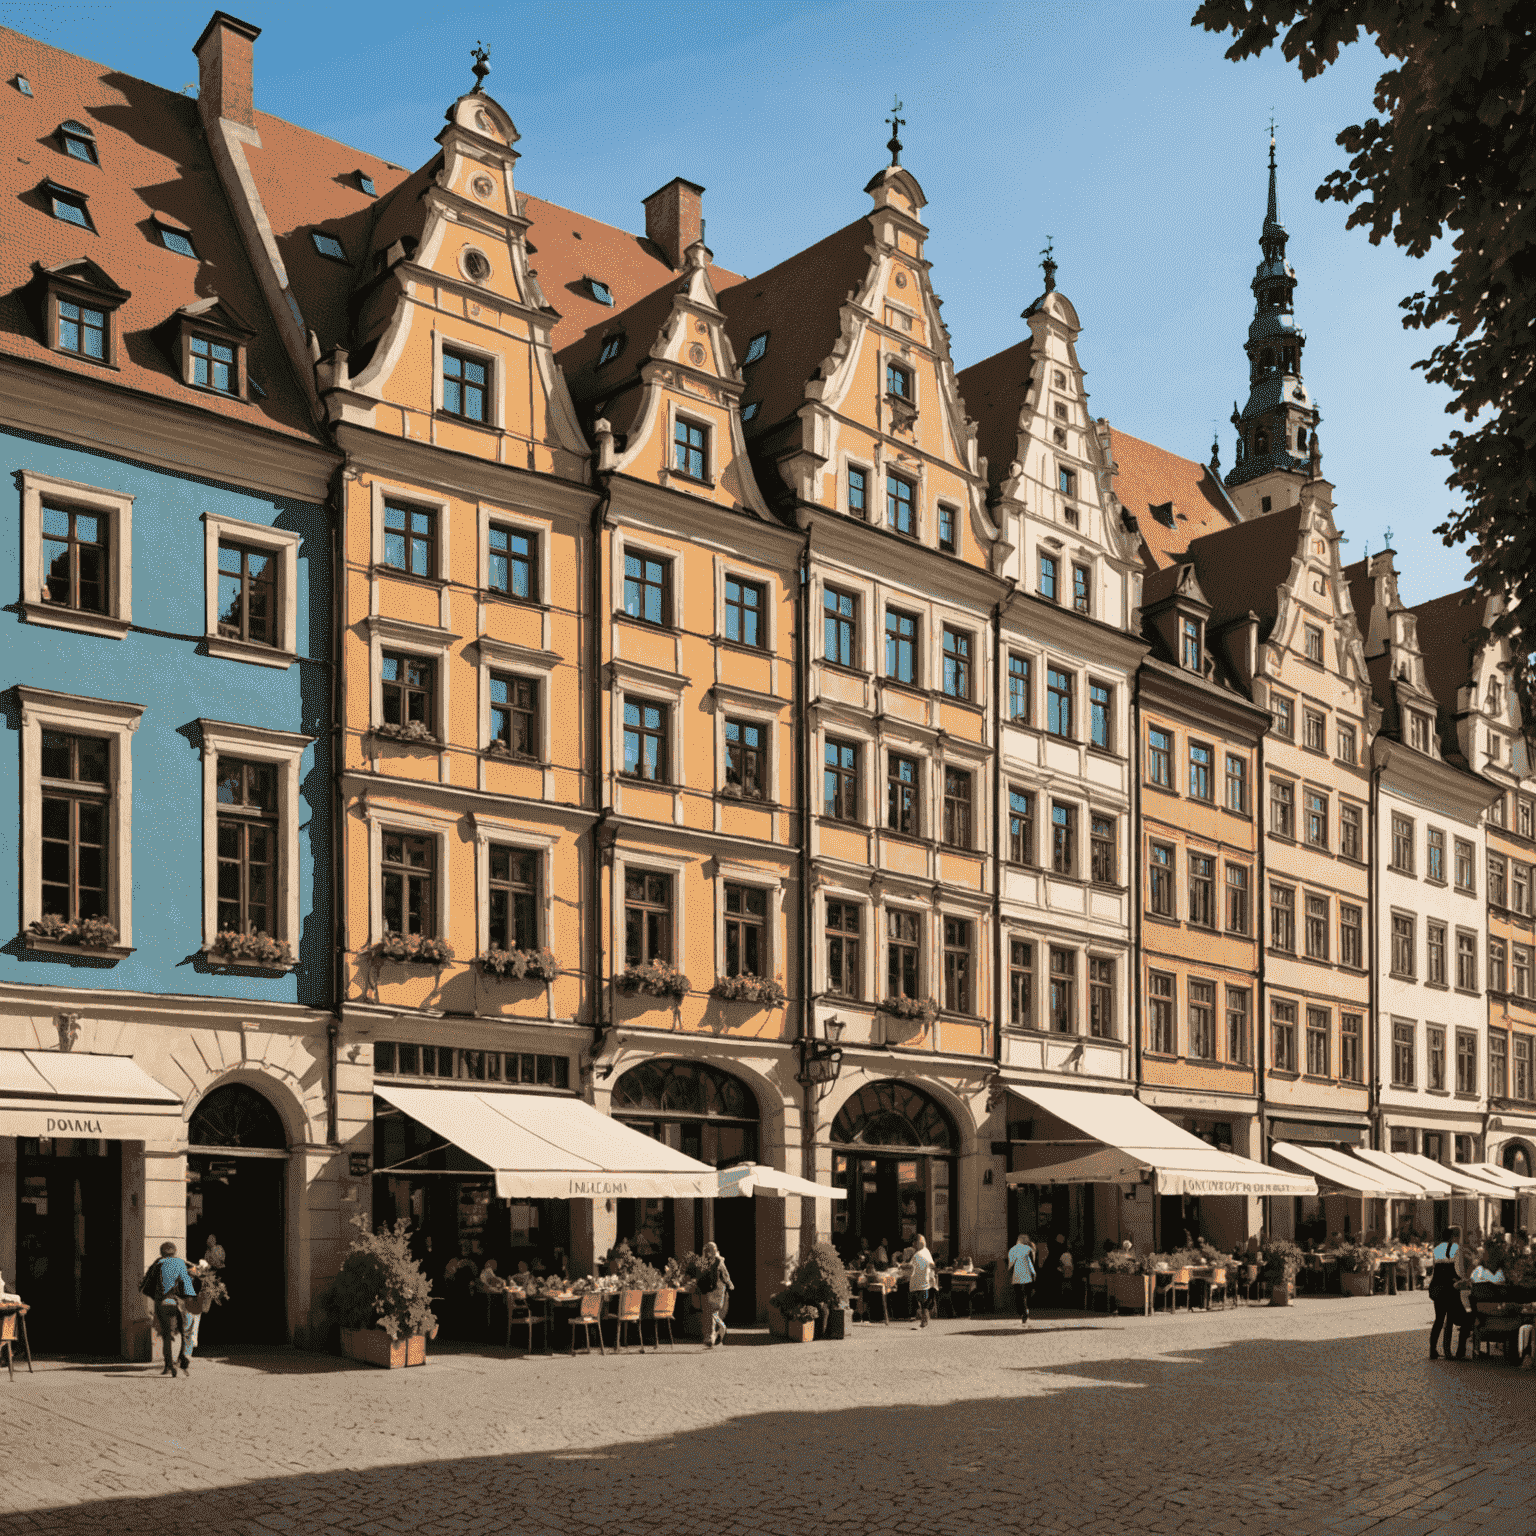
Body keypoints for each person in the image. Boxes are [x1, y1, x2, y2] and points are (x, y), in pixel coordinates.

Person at [140, 1240, 196, 1377]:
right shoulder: (180, 1263)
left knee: (166, 1335)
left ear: (161, 1252)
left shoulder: (157, 1264)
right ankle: (182, 1358)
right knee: (183, 1332)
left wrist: (154, 1300)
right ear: (175, 1251)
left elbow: (146, 1286)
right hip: (177, 1304)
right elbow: (188, 1287)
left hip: (162, 1304)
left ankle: (169, 1365)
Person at [1429, 1225, 1470, 1360]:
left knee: (1439, 1319)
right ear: (1453, 1236)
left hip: (1437, 1286)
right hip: (1450, 1288)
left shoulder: (1436, 1249)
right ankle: (1448, 1351)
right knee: (1451, 1319)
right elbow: (1458, 1270)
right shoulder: (1455, 1248)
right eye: (1457, 1236)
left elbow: (1435, 1270)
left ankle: (1433, 1349)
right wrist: (1464, 1280)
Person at [698, 1240, 733, 1348]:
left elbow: (725, 1274)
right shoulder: (711, 1260)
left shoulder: (717, 1260)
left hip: (716, 1290)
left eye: (708, 1250)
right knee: (712, 1312)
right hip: (712, 1289)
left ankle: (716, 1332)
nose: (707, 1252)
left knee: (712, 1312)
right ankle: (712, 1336)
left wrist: (729, 1283)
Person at [1007, 1233, 1037, 1329]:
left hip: (1017, 1275)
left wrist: (1009, 1274)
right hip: (1027, 1274)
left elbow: (1010, 1264)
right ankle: (1026, 1310)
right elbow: (1032, 1262)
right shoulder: (1029, 1249)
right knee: (1026, 1293)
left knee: (1019, 1294)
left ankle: (1022, 1312)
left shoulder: (1013, 1249)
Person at [909, 1236, 938, 1329]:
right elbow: (932, 1264)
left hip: (921, 1282)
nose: (914, 1245)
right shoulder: (925, 1252)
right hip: (924, 1281)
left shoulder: (919, 1254)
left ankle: (924, 1318)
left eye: (915, 1243)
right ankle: (924, 1317)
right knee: (923, 1301)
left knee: (922, 1301)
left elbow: (910, 1267)